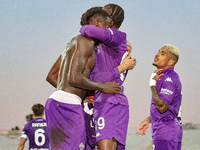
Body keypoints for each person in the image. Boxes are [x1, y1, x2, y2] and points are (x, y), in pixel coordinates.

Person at [45, 7, 123, 150]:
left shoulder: (72, 43)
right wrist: (103, 86)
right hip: (67, 105)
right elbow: (74, 78)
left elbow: (51, 76)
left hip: (57, 101)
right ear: (96, 23)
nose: (105, 32)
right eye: (105, 27)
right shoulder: (86, 42)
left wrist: (79, 95)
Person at [80, 4, 136, 150]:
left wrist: (120, 69)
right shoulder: (101, 45)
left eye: (102, 13)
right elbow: (93, 79)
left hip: (112, 102)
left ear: (110, 19)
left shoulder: (117, 36)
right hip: (102, 102)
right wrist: (120, 68)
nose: (99, 15)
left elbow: (86, 29)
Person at [137, 44, 182, 150]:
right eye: (158, 51)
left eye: (163, 53)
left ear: (171, 62)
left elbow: (162, 107)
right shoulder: (165, 76)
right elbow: (168, 109)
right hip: (166, 132)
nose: (157, 54)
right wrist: (148, 120)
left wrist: (152, 84)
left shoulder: (169, 77)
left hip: (166, 132)